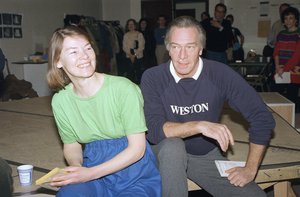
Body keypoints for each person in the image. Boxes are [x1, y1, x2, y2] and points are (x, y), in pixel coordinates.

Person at [140, 16, 275, 197]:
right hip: (162, 153)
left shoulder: (220, 74)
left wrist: (250, 169)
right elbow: (155, 130)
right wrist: (199, 125)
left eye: (190, 46)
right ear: (168, 48)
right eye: (176, 46)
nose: (182, 55)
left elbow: (262, 117)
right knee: (173, 146)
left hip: (202, 155)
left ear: (201, 48)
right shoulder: (153, 77)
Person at [46, 26, 161, 197]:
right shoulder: (60, 101)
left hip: (134, 172)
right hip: (92, 164)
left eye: (87, 48)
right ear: (58, 61)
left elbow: (137, 149)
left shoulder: (124, 88)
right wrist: (77, 168)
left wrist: (90, 173)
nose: (84, 56)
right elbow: (71, 145)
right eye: (73, 52)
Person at [273, 7, 300, 111]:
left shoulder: (298, 35)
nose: (288, 21)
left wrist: (283, 69)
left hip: (294, 72)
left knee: (291, 99)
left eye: (291, 18)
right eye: (286, 18)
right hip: (280, 70)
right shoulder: (281, 34)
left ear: (296, 20)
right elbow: (276, 52)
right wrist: (277, 67)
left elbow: (297, 56)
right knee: (277, 97)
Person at [123, 18, 145, 84]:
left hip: (138, 57)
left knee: (138, 75)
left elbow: (141, 46)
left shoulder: (139, 34)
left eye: (132, 24)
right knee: (130, 75)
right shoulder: (126, 35)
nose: (131, 26)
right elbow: (124, 47)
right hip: (128, 57)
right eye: (129, 24)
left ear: (135, 25)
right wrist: (130, 55)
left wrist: (134, 55)